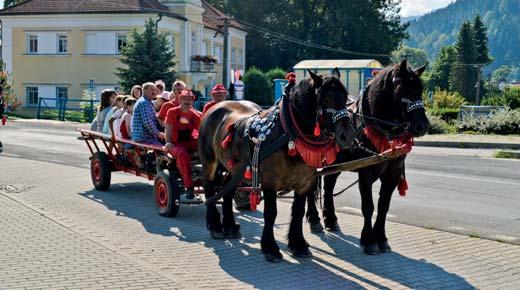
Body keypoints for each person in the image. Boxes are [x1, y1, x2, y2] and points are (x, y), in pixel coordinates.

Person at [164, 90, 201, 199]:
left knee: (208, 147)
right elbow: (168, 128)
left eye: (189, 99)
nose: (187, 101)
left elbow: (202, 131)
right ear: (180, 99)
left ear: (193, 100)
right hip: (176, 143)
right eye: (184, 98)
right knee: (182, 155)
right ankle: (189, 187)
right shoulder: (172, 112)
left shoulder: (196, 114)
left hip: (190, 141)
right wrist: (168, 142)